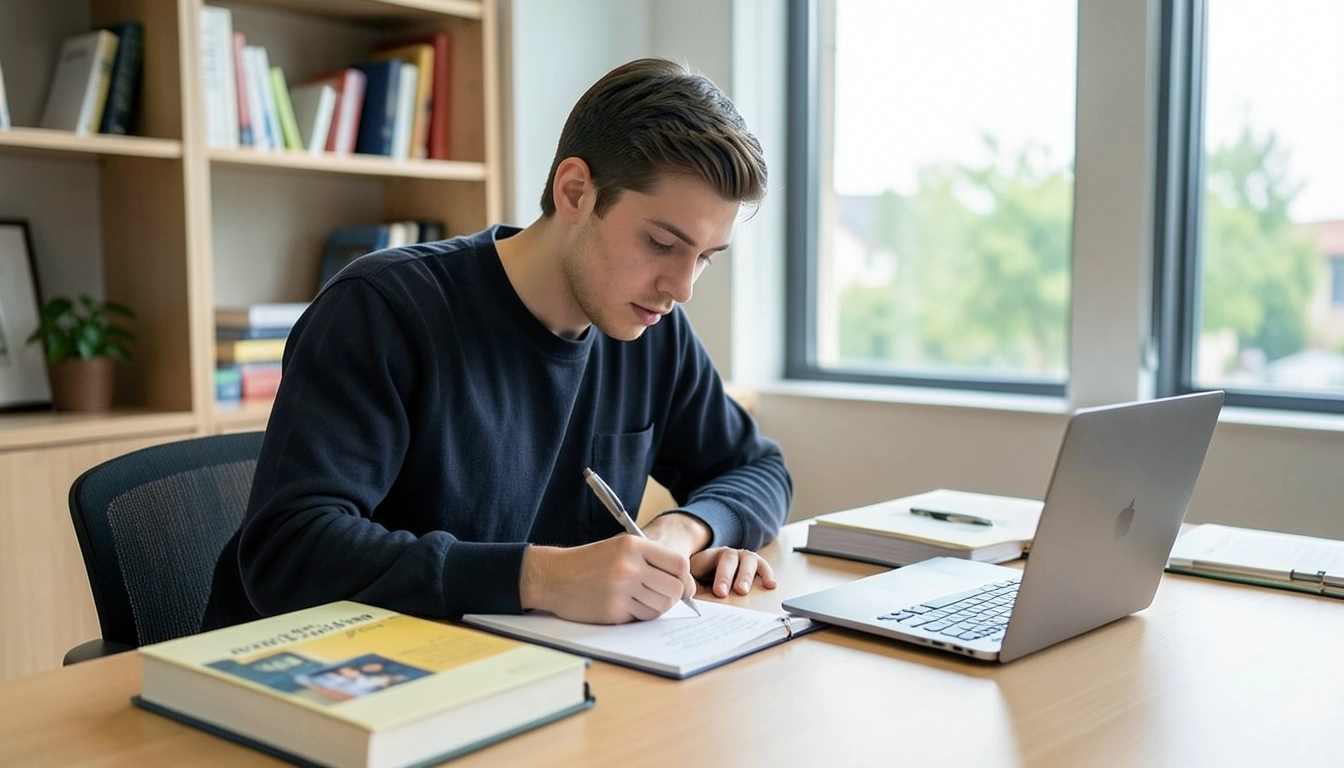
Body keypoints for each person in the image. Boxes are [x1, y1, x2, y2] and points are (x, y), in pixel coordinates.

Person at [201, 57, 791, 630]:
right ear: (575, 190)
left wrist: (684, 532)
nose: (681, 288)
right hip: (319, 680)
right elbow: (289, 552)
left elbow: (757, 467)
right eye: (662, 244)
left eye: (705, 259)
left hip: (518, 666)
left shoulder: (648, 328)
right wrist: (543, 578)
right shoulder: (383, 309)